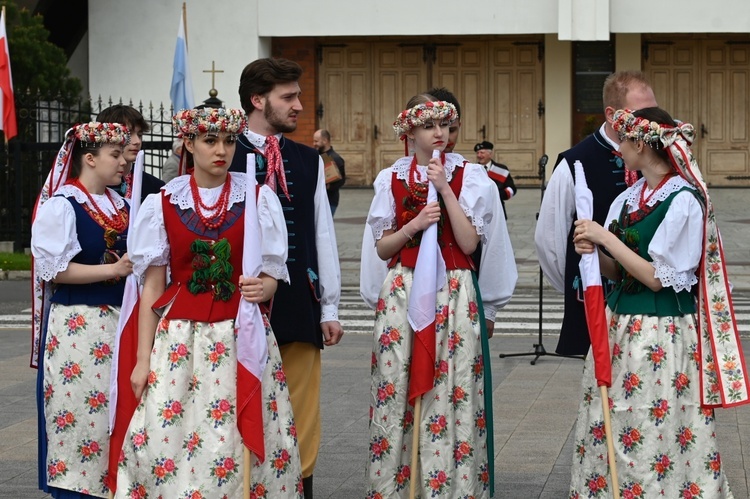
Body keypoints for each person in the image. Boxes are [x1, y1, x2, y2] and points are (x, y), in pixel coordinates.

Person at [118, 107, 303, 497]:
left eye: (229, 141)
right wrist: (141, 359)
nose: (222, 150)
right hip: (180, 339)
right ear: (188, 143)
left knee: (236, 433)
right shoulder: (164, 202)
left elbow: (272, 271)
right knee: (171, 433)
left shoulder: (257, 197)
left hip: (242, 335)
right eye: (209, 140)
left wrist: (265, 288)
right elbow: (152, 287)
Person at [569, 107, 748, 498]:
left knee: (657, 421)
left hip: (660, 333)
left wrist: (606, 239)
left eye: (623, 141)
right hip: (620, 327)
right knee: (615, 419)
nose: (618, 148)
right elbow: (619, 272)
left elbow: (656, 277)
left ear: (640, 144)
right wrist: (592, 251)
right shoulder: (629, 198)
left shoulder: (684, 201)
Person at [362, 94, 516, 498]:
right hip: (405, 286)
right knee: (397, 384)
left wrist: (445, 191)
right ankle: (399, 485)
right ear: (409, 132)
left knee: (453, 385)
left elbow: (469, 244)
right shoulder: (390, 178)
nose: (439, 133)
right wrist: (414, 224)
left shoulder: (472, 177)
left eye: (444, 125)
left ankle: (449, 485)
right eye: (429, 125)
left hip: (453, 288)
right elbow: (382, 247)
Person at [228, 57, 343, 499]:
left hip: (298, 303)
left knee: (300, 413)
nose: (298, 105)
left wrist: (329, 306)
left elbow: (322, 234)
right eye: (288, 97)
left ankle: (299, 489)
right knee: (240, 402)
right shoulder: (222, 150)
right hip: (237, 304)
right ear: (258, 100)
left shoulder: (308, 159)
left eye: (298, 95)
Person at [31, 122, 134, 498]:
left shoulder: (121, 205)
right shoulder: (62, 205)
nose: (124, 162)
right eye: (115, 154)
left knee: (117, 414)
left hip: (121, 323)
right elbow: (54, 270)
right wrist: (114, 269)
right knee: (80, 417)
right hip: (79, 326)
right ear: (89, 158)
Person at [535, 70, 658, 356]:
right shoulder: (575, 162)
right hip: (596, 296)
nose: (651, 121)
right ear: (612, 114)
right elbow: (550, 241)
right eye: (642, 113)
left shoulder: (660, 154)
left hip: (651, 297)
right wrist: (580, 281)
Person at [96, 104, 165, 203]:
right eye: (128, 134)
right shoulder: (93, 184)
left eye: (139, 134)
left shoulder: (155, 187)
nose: (137, 141)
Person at [474, 140, 516, 218]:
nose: (479, 155)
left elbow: (512, 189)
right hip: (478, 212)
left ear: (490, 154)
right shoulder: (473, 170)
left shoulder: (502, 169)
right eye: (477, 153)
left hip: (498, 209)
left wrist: (499, 195)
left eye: (482, 153)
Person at [313, 129, 346, 216]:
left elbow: (341, 180)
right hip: (317, 199)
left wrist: (329, 187)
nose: (314, 144)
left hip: (329, 201)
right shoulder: (315, 156)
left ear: (325, 141)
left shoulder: (335, 158)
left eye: (316, 141)